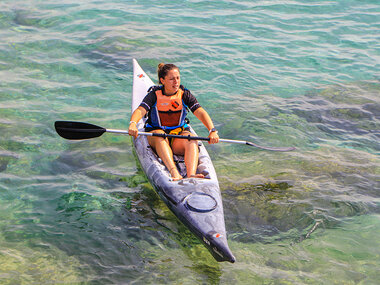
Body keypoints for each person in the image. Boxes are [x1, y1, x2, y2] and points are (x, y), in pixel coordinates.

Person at [128, 63, 219, 181]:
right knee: (160, 135)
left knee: (192, 139)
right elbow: (140, 110)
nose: (176, 82)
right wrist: (133, 123)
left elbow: (200, 112)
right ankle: (174, 172)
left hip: (177, 137)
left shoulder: (184, 95)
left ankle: (191, 174)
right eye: (171, 79)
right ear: (162, 80)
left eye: (178, 78)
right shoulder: (154, 95)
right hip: (157, 137)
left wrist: (212, 130)